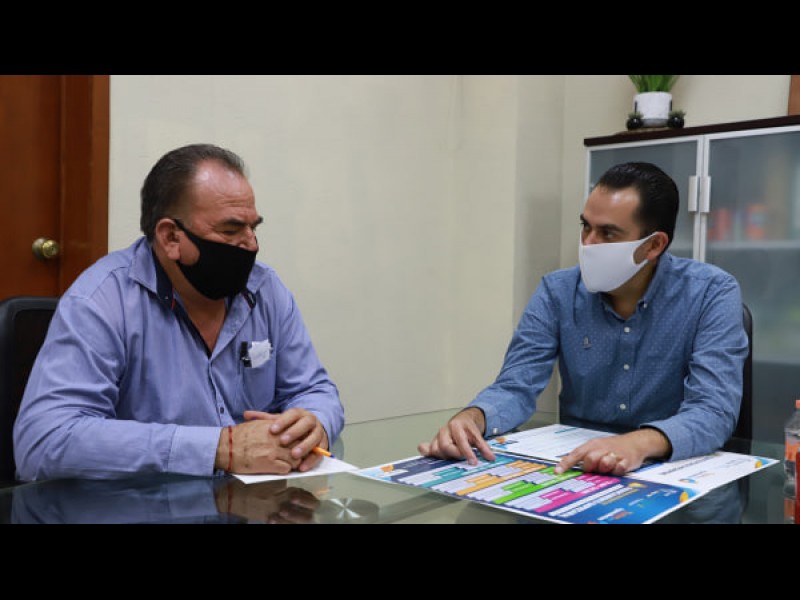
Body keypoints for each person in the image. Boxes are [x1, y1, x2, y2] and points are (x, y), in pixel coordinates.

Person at [14, 143, 344, 481]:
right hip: (144, 503)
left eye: (253, 228)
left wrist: (315, 422)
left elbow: (315, 389)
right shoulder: (101, 301)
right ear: (171, 237)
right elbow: (43, 442)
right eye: (231, 231)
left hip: (254, 501)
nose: (251, 245)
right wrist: (218, 448)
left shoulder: (264, 289)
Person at [418, 161, 748, 476]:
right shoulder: (557, 291)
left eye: (608, 233)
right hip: (577, 467)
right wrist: (474, 417)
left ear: (654, 245)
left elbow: (713, 410)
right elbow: (516, 385)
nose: (588, 244)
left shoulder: (711, 292)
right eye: (586, 227)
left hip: (670, 472)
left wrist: (638, 443)